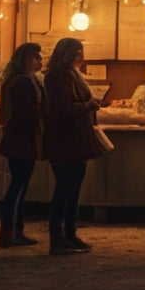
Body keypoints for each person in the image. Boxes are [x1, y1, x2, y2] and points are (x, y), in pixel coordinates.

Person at [43, 37, 104, 255]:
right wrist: (89, 105)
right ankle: (57, 238)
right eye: (77, 53)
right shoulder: (57, 77)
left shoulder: (70, 74)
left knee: (73, 189)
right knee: (64, 189)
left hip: (76, 141)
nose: (80, 57)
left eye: (82, 52)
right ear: (66, 53)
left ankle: (69, 234)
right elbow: (62, 110)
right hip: (64, 141)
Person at [0, 42, 45, 249]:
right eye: (35, 57)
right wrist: (46, 114)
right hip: (20, 140)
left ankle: (15, 231)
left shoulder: (25, 80)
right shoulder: (21, 83)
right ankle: (10, 233)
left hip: (22, 140)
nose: (39, 60)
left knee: (20, 186)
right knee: (18, 187)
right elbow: (26, 113)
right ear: (24, 60)